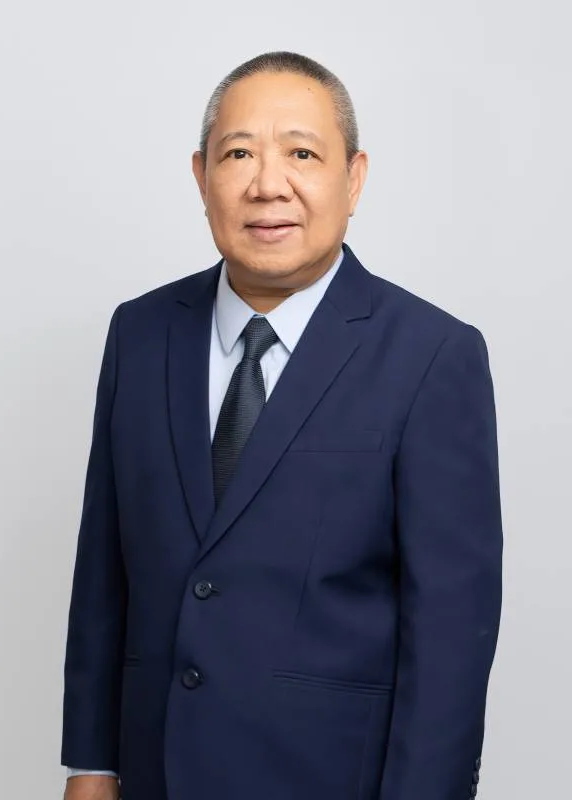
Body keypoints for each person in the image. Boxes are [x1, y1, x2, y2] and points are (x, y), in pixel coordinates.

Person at [61, 51, 503, 800]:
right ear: (201, 176)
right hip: (154, 773)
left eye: (302, 154)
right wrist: (91, 764)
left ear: (353, 179)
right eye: (239, 154)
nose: (268, 184)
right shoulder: (140, 334)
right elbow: (104, 570)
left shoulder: (432, 355)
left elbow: (452, 632)